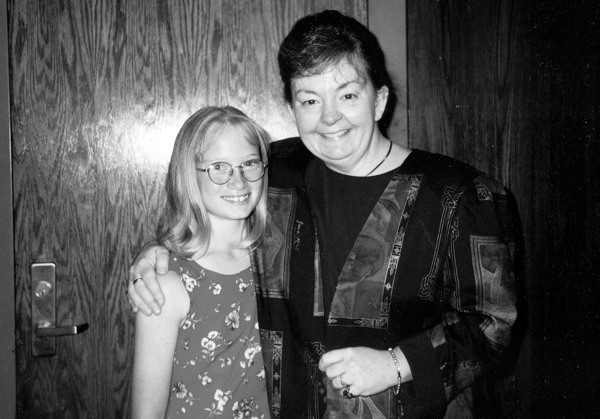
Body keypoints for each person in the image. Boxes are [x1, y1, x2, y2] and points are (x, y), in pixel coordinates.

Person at [128, 10, 519, 419]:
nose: (329, 117)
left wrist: (396, 363)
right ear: (292, 108)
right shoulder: (270, 172)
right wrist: (154, 254)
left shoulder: (460, 195)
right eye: (310, 100)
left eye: (347, 95)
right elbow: (203, 205)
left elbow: (496, 325)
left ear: (379, 99)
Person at [130, 106, 272, 419]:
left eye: (248, 163)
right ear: (188, 175)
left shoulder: (277, 260)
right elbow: (146, 412)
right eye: (218, 167)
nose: (238, 181)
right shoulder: (166, 282)